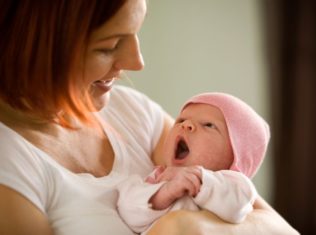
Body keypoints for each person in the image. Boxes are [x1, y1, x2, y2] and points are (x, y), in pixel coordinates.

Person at [0, 1, 299, 235]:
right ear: (37, 46)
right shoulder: (11, 164)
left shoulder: (129, 110)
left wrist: (187, 228)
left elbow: (283, 231)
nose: (137, 62)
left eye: (136, 33)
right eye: (109, 46)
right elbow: (134, 203)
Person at [117, 92, 269, 234]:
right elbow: (129, 213)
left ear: (236, 155)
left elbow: (236, 208)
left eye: (208, 125)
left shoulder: (236, 185)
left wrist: (200, 180)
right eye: (181, 120)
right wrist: (163, 194)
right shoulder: (158, 179)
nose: (186, 124)